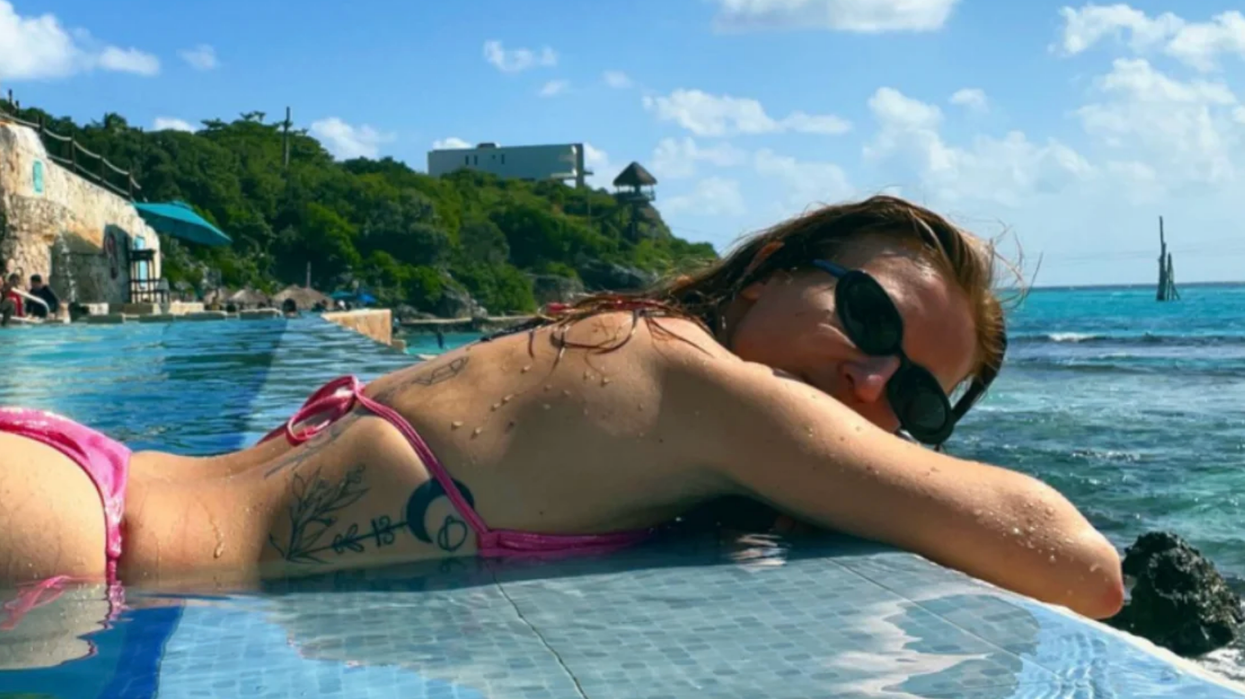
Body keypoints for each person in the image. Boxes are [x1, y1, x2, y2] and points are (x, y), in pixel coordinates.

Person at [0, 195, 1124, 623]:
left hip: (79, 490)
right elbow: (1080, 563)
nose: (875, 384)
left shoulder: (639, 338)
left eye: (920, 400)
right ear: (776, 265)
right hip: (70, 541)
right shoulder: (715, 391)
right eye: (872, 319)